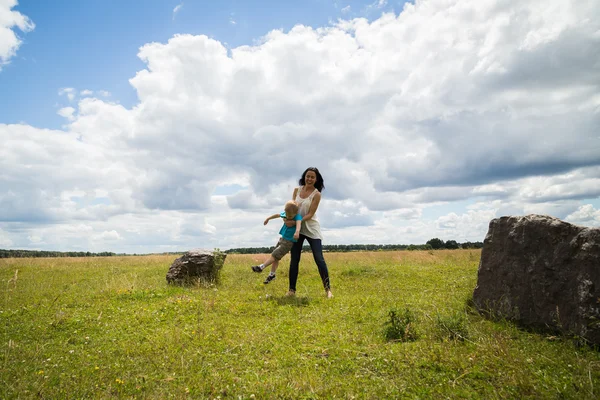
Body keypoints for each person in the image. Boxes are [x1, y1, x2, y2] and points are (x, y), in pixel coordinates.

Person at [286, 167, 333, 298]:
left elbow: (310, 214)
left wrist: (296, 222)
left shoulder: (317, 194)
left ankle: (328, 290)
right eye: (308, 176)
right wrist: (288, 219)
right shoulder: (297, 190)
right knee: (294, 259)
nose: (310, 179)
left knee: (319, 258)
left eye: (312, 177)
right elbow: (292, 208)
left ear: (316, 179)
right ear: (304, 177)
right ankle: (291, 290)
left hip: (311, 228)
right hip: (298, 230)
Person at [251, 200, 302, 284]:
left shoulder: (298, 217)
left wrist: (297, 232)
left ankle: (261, 267)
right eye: (287, 215)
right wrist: (268, 218)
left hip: (288, 242)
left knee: (274, 255)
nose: (288, 217)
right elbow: (278, 215)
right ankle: (272, 275)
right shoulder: (286, 214)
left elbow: (299, 224)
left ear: (296, 212)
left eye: (290, 216)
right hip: (282, 239)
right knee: (275, 258)